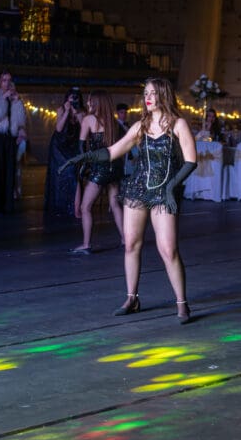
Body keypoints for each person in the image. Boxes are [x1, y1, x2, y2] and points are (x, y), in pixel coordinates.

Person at [60, 78, 198, 324]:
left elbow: (190, 161)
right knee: (131, 245)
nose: (148, 98)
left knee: (168, 249)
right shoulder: (140, 126)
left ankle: (181, 303)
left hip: (164, 191)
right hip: (137, 190)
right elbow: (113, 151)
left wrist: (172, 187)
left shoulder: (178, 124)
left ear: (164, 95)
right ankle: (132, 299)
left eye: (153, 93)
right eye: (146, 93)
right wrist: (83, 157)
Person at [69, 90, 124, 254]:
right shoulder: (113, 121)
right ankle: (125, 239)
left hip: (99, 168)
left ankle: (86, 244)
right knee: (115, 204)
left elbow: (81, 147)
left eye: (90, 101)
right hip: (114, 167)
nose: (87, 103)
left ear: (96, 102)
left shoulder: (88, 119)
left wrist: (85, 165)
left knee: (85, 207)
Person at [0, 70, 26, 213]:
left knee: (10, 170)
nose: (7, 83)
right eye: (4, 80)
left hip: (10, 137)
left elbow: (20, 119)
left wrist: (17, 102)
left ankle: (8, 204)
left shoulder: (14, 95)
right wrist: (4, 98)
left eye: (9, 80)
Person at [44, 87, 85, 217]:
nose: (74, 100)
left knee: (74, 174)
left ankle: (76, 208)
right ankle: (60, 206)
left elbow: (85, 130)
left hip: (73, 146)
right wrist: (67, 111)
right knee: (59, 176)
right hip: (59, 147)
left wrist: (77, 114)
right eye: (71, 97)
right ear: (67, 98)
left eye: (76, 97)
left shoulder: (82, 112)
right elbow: (59, 128)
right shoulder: (61, 109)